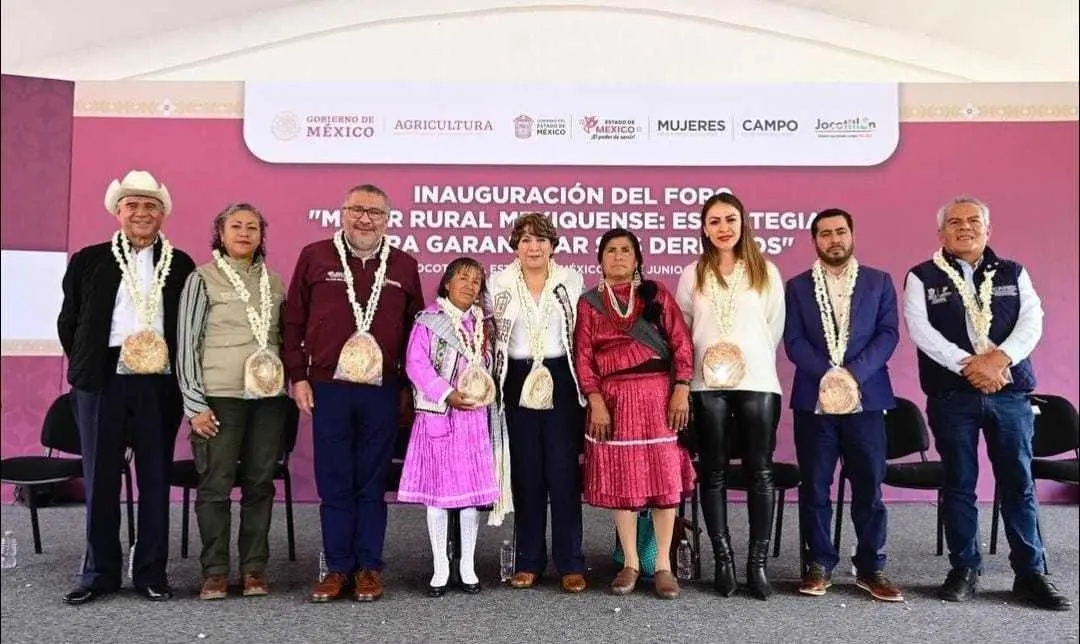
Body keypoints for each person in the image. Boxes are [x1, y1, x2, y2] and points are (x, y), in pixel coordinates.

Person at [903, 195, 1071, 611]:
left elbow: (1032, 321)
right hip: (952, 395)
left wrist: (999, 360)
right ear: (941, 233)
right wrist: (969, 366)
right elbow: (921, 331)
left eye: (973, 221)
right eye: (954, 222)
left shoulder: (1014, 272)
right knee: (959, 484)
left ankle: (1030, 573)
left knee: (1018, 484)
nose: (964, 227)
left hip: (1009, 392)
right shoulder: (921, 276)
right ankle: (964, 568)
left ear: (987, 229)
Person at [57, 170, 196, 604]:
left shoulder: (182, 264)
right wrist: (88, 366)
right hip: (103, 379)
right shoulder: (88, 260)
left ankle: (151, 573)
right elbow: (70, 322)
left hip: (159, 383)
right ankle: (99, 573)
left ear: (163, 215)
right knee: (100, 478)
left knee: (155, 478)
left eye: (150, 205)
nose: (141, 212)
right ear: (118, 211)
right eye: (132, 204)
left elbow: (189, 328)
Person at [283, 184, 424, 602]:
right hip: (328, 387)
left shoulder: (403, 264)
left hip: (382, 392)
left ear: (388, 219)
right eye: (358, 210)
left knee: (371, 479)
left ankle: (368, 566)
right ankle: (337, 566)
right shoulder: (315, 256)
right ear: (342, 213)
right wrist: (298, 376)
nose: (366, 219)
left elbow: (415, 331)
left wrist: (407, 388)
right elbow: (293, 321)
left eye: (375, 212)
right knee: (335, 479)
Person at [783, 208, 903, 602]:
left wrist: (850, 375)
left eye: (840, 232)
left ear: (852, 235)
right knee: (815, 486)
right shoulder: (797, 286)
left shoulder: (879, 282)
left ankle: (871, 567)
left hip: (866, 400)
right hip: (814, 402)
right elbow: (794, 341)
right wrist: (828, 375)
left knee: (869, 486)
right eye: (825, 233)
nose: (834, 239)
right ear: (814, 240)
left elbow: (887, 335)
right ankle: (817, 563)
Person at [574, 229, 696, 600]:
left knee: (663, 481)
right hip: (612, 401)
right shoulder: (590, 302)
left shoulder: (656, 294)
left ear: (638, 258)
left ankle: (662, 565)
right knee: (623, 481)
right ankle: (630, 562)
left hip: (659, 396)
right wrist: (594, 398)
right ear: (600, 260)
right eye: (610, 251)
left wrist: (682, 387)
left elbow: (680, 342)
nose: (618, 256)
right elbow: (584, 356)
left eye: (626, 250)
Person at [176, 202, 289, 600]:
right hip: (219, 398)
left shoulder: (273, 282)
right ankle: (215, 572)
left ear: (262, 236)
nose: (244, 233)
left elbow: (282, 338)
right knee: (215, 485)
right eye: (236, 226)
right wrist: (194, 405)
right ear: (220, 234)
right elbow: (186, 344)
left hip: (268, 399)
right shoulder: (201, 279)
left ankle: (255, 569)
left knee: (260, 484)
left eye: (253, 228)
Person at [675, 191, 785, 600]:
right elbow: (683, 331)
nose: (724, 228)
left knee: (760, 471)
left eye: (730, 220)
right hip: (707, 386)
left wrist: (746, 359)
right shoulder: (692, 274)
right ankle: (723, 561)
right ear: (704, 229)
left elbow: (774, 326)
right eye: (715, 221)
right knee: (714, 470)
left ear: (743, 224)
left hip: (756, 380)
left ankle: (756, 564)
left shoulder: (765, 272)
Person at [488, 212, 587, 593]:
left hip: (561, 378)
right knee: (526, 471)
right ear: (515, 245)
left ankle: (570, 562)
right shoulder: (499, 281)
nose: (533, 247)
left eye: (541, 240)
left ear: (553, 246)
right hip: (516, 379)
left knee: (562, 472)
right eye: (526, 240)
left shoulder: (570, 280)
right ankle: (528, 559)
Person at [398, 257, 501, 597]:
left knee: (470, 497)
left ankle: (467, 566)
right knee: (440, 497)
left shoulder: (484, 325)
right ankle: (440, 566)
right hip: (439, 415)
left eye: (476, 280)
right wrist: (447, 393)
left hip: (472, 420)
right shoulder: (429, 321)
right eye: (463, 278)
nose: (470, 285)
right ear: (446, 283)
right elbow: (416, 364)